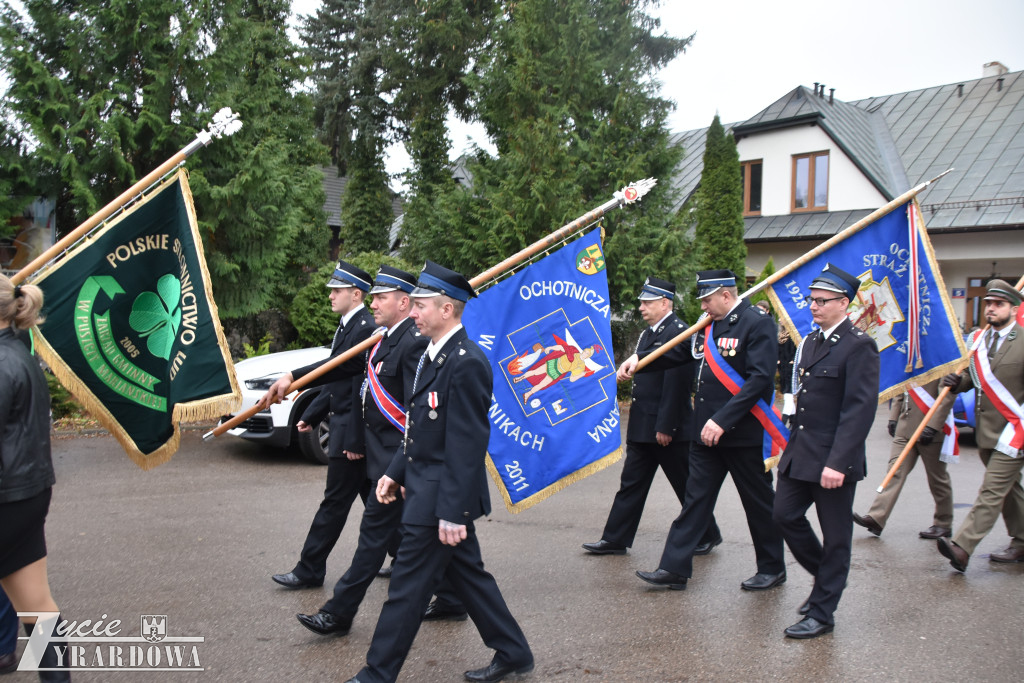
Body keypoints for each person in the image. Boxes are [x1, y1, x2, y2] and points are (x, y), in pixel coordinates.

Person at [345, 262, 532, 683]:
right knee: (470, 579)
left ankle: (377, 673)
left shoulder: (466, 363)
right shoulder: (433, 354)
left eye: (422, 306)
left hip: (439, 500)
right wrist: (395, 472)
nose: (414, 312)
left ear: (447, 309)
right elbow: (419, 427)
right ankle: (515, 652)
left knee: (407, 589)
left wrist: (452, 512)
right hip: (429, 487)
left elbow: (466, 445)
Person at [295, 266, 466, 636]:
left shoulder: (413, 343)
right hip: (385, 460)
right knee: (428, 539)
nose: (372, 303)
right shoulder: (382, 339)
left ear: (403, 303)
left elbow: (416, 414)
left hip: (399, 461)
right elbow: (338, 368)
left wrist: (399, 469)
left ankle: (339, 612)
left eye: (380, 297)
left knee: (374, 539)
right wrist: (293, 379)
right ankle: (454, 596)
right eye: (372, 297)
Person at [628, 270, 787, 593]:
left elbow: (759, 380)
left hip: (741, 434)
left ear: (726, 296)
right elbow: (678, 354)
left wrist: (723, 420)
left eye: (707, 300)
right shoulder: (708, 326)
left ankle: (772, 567)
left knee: (758, 504)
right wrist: (639, 360)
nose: (703, 307)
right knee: (695, 501)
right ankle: (673, 568)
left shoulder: (757, 324)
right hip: (706, 433)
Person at [773, 263, 880, 639]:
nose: (813, 307)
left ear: (844, 303)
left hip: (834, 459)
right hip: (802, 452)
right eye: (811, 300)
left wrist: (838, 462)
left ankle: (822, 612)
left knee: (837, 537)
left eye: (821, 301)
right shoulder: (812, 341)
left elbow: (859, 411)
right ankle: (827, 580)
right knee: (784, 515)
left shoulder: (859, 346)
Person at [582, 277, 721, 557]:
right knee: (631, 485)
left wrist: (666, 425)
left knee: (685, 485)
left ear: (664, 303)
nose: (641, 307)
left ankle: (708, 534)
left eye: (647, 302)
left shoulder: (678, 331)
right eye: (642, 302)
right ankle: (616, 538)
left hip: (667, 428)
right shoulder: (649, 333)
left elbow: (677, 383)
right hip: (643, 425)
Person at [262, 260, 375, 589]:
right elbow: (338, 381)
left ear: (356, 294)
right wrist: (312, 413)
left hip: (352, 433)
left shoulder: (365, 328)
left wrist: (294, 379)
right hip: (346, 429)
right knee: (379, 502)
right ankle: (402, 558)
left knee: (335, 503)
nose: (330, 296)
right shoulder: (347, 325)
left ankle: (310, 569)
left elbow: (355, 385)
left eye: (336, 291)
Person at [0, 274, 70, 681]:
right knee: (37, 606)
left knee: (37, 607)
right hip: (26, 495)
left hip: (8, 498)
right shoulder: (18, 355)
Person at [937, 278, 1024, 571]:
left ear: (1013, 308)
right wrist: (957, 381)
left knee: (991, 490)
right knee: (1010, 490)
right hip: (987, 432)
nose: (991, 309)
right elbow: (975, 380)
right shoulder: (980, 342)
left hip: (1015, 433)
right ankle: (1022, 541)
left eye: (998, 304)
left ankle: (963, 546)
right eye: (988, 303)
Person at [853, 378, 955, 539]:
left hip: (929, 428)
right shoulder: (909, 356)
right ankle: (876, 517)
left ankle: (943, 523)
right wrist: (894, 417)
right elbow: (901, 386)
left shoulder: (939, 356)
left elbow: (947, 395)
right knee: (895, 471)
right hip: (905, 427)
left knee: (937, 479)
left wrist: (933, 426)